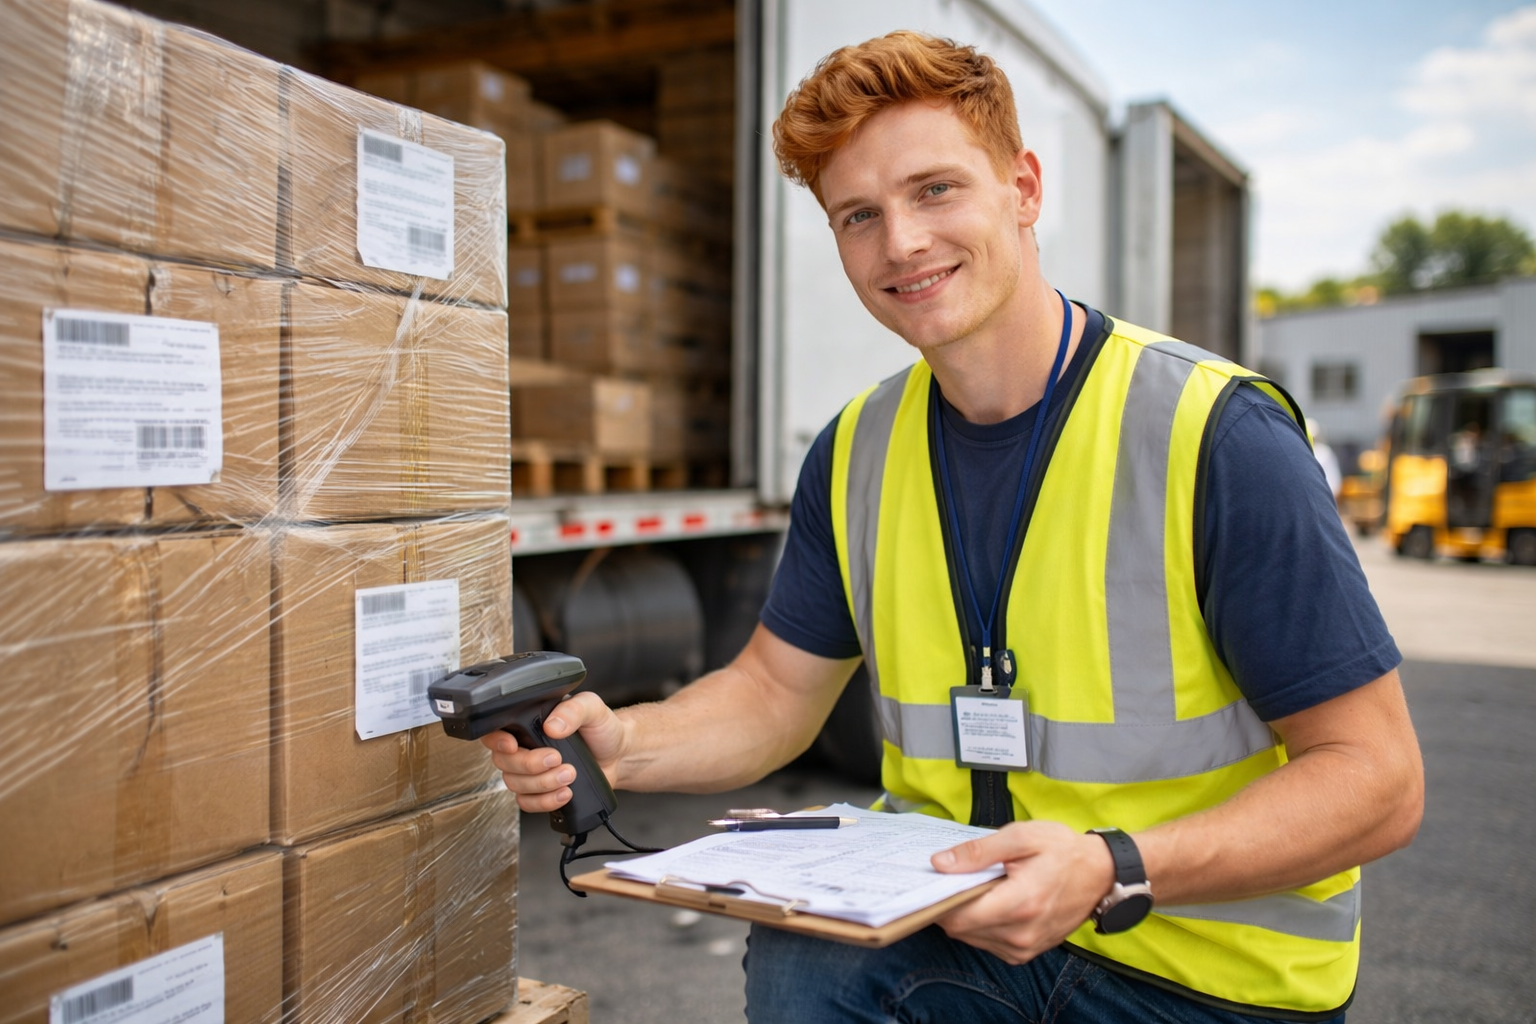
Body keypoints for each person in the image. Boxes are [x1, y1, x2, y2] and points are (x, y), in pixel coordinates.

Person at [486, 31, 1423, 1023]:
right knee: (808, 957)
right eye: (859, 215)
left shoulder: (1212, 434)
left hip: (1206, 976)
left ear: (1023, 188)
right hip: (978, 934)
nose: (902, 244)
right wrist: (624, 742)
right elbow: (773, 692)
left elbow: (1378, 778)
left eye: (935, 190)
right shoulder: (855, 450)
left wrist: (1111, 868)